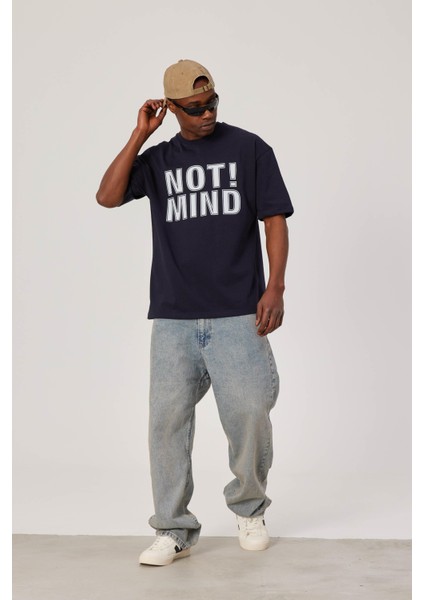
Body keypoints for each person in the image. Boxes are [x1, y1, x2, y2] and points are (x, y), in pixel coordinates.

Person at [96, 59, 294, 567]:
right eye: (194, 108)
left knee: (249, 410)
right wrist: (139, 135)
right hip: (174, 314)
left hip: (237, 310)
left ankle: (250, 509)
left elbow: (274, 218)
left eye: (211, 103)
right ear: (173, 108)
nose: (206, 114)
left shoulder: (249, 149)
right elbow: (107, 196)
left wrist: (275, 286)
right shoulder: (159, 160)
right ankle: (173, 529)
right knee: (166, 423)